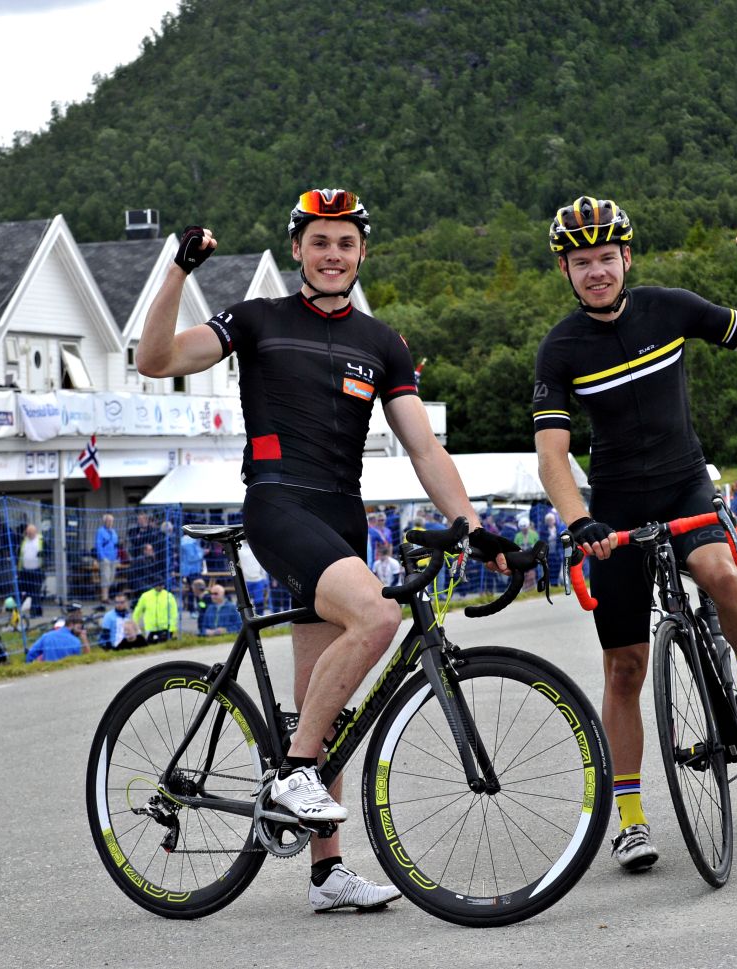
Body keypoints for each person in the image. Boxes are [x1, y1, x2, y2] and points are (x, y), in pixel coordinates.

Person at [137, 188, 511, 912]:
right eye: (319, 241)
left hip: (342, 517)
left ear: (361, 252)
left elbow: (423, 447)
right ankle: (292, 774)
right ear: (297, 250)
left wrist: (468, 521)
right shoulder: (257, 320)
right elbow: (156, 360)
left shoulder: (382, 343)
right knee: (377, 615)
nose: (332, 254)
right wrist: (179, 271)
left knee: (324, 703)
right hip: (279, 504)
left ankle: (327, 871)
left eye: (344, 242)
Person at [532, 196, 737, 872]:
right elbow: (552, 457)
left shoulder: (668, 308)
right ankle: (630, 818)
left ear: (626, 258)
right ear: (565, 269)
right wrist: (579, 520)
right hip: (614, 507)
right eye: (582, 262)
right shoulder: (560, 348)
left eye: (605, 258)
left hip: (683, 484)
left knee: (718, 572)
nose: (596, 271)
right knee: (624, 667)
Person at [18, 523, 45, 617]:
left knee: (35, 592)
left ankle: (34, 613)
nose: (29, 535)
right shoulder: (24, 541)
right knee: (27, 592)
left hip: (37, 570)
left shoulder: (41, 540)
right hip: (25, 571)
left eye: (31, 533)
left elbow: (49, 552)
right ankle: (37, 611)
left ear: (35, 532)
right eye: (28, 533)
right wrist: (19, 569)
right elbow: (20, 554)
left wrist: (42, 554)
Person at [236, 540, 269, 613]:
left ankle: (260, 619)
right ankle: (243, 618)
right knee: (243, 603)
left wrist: (264, 578)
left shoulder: (257, 545)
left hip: (258, 580)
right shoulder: (238, 546)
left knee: (259, 603)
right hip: (245, 581)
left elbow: (262, 562)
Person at [94, 513, 120, 602]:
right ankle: (104, 597)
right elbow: (98, 545)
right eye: (108, 520)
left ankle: (107, 596)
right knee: (105, 577)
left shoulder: (114, 532)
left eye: (111, 521)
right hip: (105, 558)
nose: (110, 522)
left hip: (113, 558)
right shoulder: (100, 531)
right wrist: (102, 557)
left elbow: (116, 545)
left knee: (111, 578)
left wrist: (117, 556)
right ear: (104, 521)